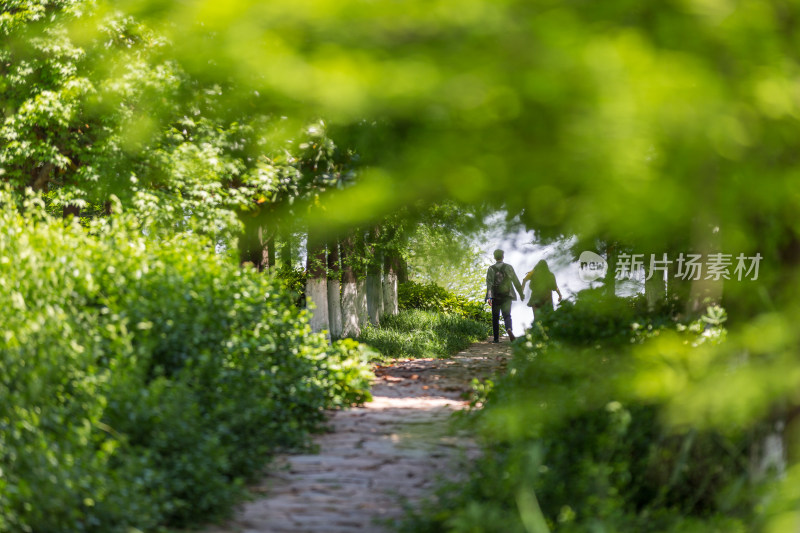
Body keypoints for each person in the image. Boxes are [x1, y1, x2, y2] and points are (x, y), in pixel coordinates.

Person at [485, 249, 524, 343]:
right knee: (507, 315)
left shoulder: (491, 269)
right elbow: (515, 281)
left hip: (495, 296)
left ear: (494, 257)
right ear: (503, 256)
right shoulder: (509, 267)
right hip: (507, 295)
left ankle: (496, 338)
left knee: (495, 317)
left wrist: (489, 297)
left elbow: (489, 284)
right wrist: (521, 293)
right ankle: (509, 329)